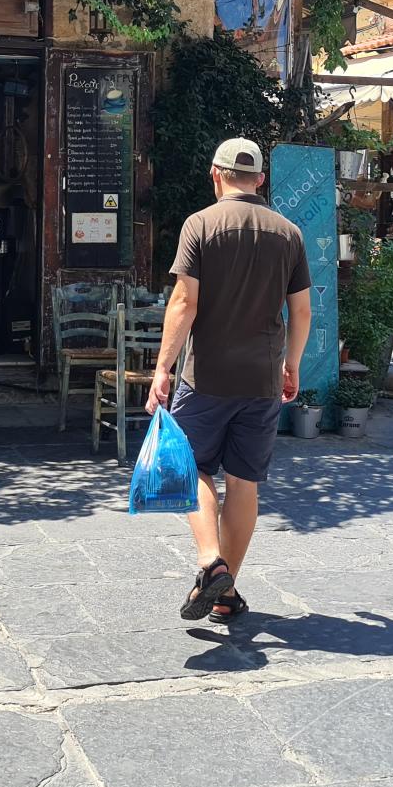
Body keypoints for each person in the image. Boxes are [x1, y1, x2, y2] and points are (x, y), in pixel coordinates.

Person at [146, 137, 311, 625]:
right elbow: (301, 310)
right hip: (262, 377)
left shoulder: (201, 225)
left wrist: (161, 367)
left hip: (206, 374)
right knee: (245, 484)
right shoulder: (289, 233)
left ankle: (209, 562)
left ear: (215, 174)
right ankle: (225, 594)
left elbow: (184, 303)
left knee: (193, 469)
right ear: (260, 179)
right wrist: (292, 364)